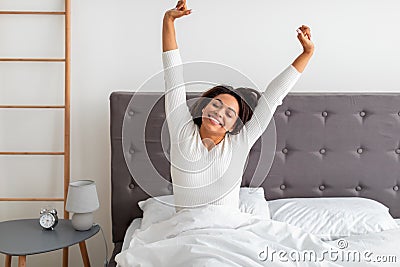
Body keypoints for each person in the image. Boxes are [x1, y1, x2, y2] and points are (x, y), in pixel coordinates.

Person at [162, 0, 314, 211]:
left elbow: (273, 97)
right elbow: (173, 78)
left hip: (228, 232)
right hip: (186, 233)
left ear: (234, 126)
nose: (219, 113)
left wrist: (306, 54)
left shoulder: (240, 143)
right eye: (216, 105)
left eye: (229, 113)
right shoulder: (182, 132)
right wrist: (168, 21)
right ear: (204, 107)